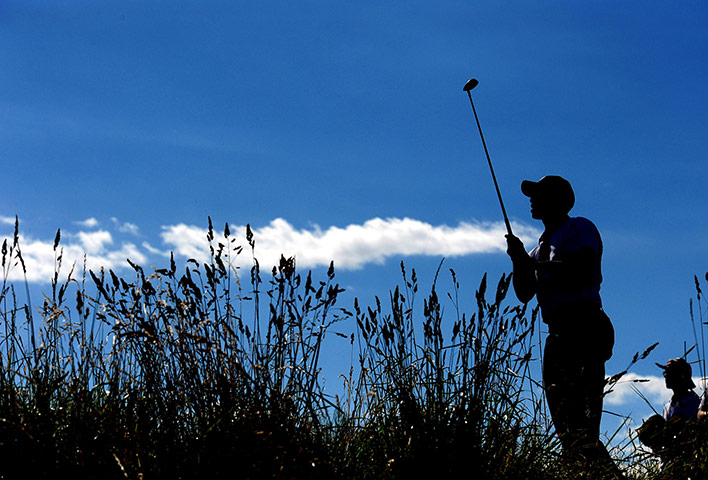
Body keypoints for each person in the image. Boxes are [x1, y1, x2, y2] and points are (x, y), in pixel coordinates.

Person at [505, 175, 621, 477]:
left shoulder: (579, 227)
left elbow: (580, 269)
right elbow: (524, 293)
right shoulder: (537, 249)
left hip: (584, 326)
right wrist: (519, 261)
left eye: (539, 194)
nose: (531, 200)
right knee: (567, 426)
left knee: (583, 422)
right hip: (557, 335)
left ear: (558, 200)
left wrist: (529, 264)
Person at [638, 358, 703, 478]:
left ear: (681, 377)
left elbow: (692, 433)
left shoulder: (693, 403)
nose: (666, 376)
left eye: (669, 373)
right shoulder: (668, 406)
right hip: (669, 465)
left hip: (688, 464)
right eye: (665, 373)